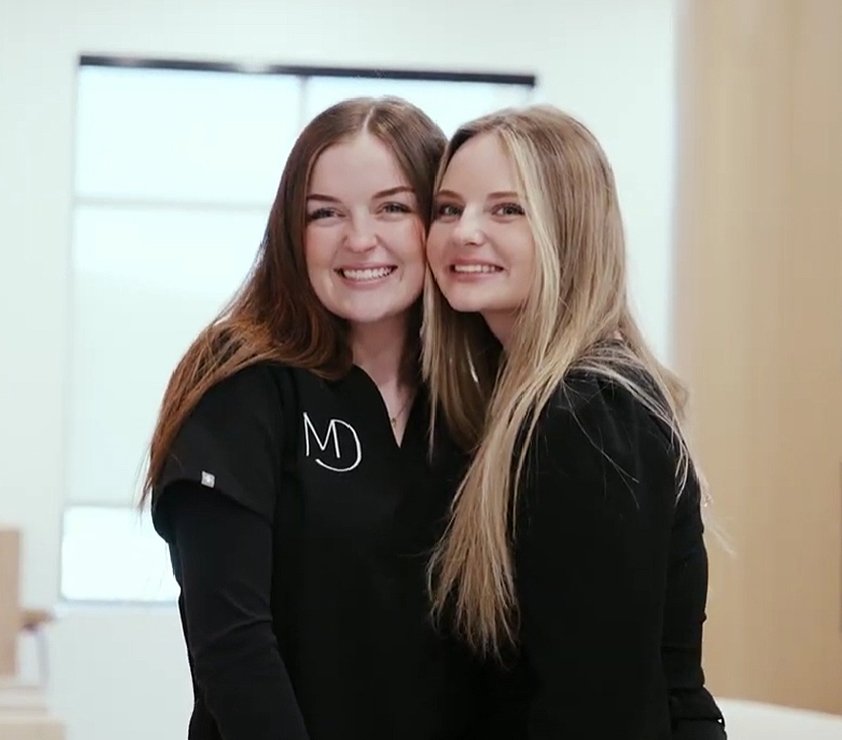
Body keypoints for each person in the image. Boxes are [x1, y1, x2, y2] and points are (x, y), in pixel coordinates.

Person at [142, 97, 482, 740]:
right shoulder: (239, 382)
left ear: (437, 222)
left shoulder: (476, 399)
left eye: (393, 207)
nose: (360, 239)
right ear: (290, 234)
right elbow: (234, 651)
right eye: (325, 213)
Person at [422, 105, 727, 739]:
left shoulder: (586, 418)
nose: (464, 232)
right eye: (448, 209)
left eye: (507, 209)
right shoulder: (523, 404)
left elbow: (598, 710)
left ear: (570, 229)